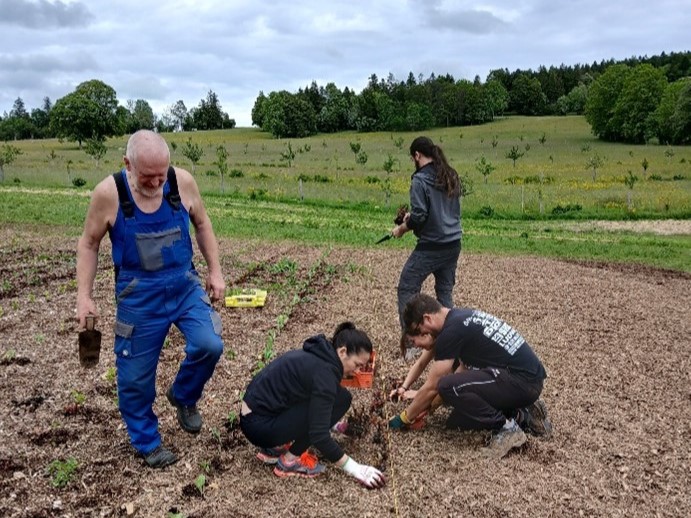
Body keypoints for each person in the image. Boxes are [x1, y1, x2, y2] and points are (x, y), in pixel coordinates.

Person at [76, 130, 225, 468]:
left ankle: (184, 395)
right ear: (127, 164)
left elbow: (202, 224)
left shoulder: (182, 182)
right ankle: (147, 441)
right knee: (134, 378)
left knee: (209, 344)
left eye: (162, 175)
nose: (157, 183)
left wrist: (215, 271)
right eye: (148, 177)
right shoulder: (108, 193)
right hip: (138, 296)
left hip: (184, 286)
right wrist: (84, 297)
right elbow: (88, 244)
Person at [388, 294, 552, 459]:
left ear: (427, 319)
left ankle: (506, 428)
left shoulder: (451, 331)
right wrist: (429, 407)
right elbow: (463, 374)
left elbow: (434, 385)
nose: (422, 335)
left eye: (419, 331)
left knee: (446, 385)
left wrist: (403, 419)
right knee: (457, 420)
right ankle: (523, 414)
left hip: (522, 381)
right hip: (526, 379)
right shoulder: (460, 318)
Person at [240, 322, 386, 489]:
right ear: (343, 351)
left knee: (342, 396)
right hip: (260, 428)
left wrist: (335, 425)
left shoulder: (319, 354)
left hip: (253, 416)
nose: (358, 372)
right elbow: (319, 435)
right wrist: (356, 468)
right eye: (357, 365)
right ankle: (289, 460)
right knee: (339, 402)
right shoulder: (325, 376)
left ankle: (275, 447)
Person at [391, 136, 462, 362]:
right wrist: (414, 218)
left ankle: (412, 343)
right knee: (444, 292)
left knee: (407, 287)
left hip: (432, 245)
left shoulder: (420, 180)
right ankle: (451, 341)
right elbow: (440, 211)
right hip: (453, 243)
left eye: (413, 157)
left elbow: (421, 216)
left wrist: (403, 227)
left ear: (417, 155)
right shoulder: (450, 175)